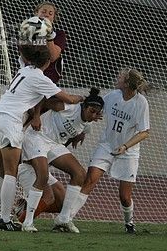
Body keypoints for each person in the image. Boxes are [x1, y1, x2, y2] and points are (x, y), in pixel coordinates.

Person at [0, 17, 84, 231]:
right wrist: (81, 99)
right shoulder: (41, 78)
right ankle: (4, 218)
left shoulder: (23, 69)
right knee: (10, 172)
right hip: (9, 121)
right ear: (47, 62)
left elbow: (23, 51)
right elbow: (67, 99)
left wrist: (28, 36)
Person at [16, 88, 105, 232]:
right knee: (43, 177)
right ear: (84, 107)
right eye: (91, 110)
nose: (93, 115)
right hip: (37, 136)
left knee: (80, 174)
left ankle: (63, 219)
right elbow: (44, 100)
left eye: (97, 112)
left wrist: (79, 135)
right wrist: (37, 116)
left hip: (53, 144)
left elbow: (71, 136)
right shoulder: (69, 107)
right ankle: (27, 222)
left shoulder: (87, 125)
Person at [80, 68, 150, 234]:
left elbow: (144, 132)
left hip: (128, 152)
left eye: (121, 76)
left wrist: (125, 146)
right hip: (106, 146)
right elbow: (97, 112)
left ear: (126, 84)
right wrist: (87, 124)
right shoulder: (113, 96)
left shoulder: (141, 103)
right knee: (89, 180)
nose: (117, 77)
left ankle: (129, 223)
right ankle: (66, 218)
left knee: (125, 197)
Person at [35, 2, 66, 85]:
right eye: (43, 12)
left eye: (50, 13)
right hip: (30, 75)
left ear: (54, 18)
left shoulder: (59, 34)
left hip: (49, 78)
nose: (47, 15)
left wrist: (49, 35)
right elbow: (25, 58)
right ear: (36, 13)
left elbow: (53, 57)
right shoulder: (28, 32)